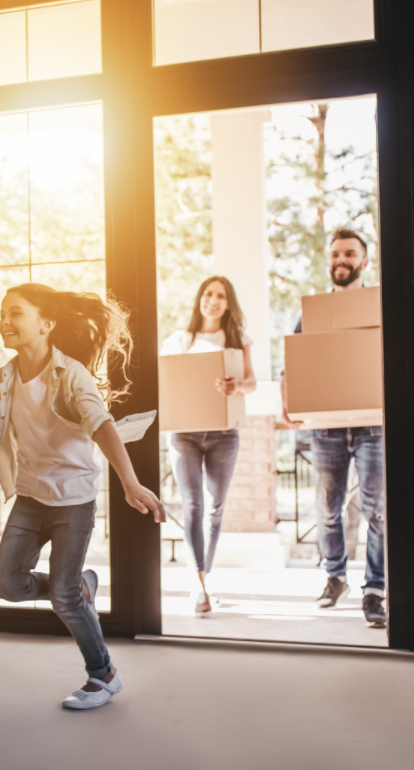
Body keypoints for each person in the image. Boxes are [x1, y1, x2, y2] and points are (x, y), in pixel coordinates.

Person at [0, 283, 165, 711]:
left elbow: (102, 425)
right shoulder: (4, 378)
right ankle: (76, 587)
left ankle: (103, 674)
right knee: (7, 584)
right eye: (2, 313)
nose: (5, 321)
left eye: (15, 313)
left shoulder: (71, 374)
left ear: (46, 324)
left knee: (64, 599)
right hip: (32, 497)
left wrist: (129, 482)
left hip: (74, 499)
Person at [281, 228, 386, 628]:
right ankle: (335, 577)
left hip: (372, 425)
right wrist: (289, 404)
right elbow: (292, 364)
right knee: (327, 509)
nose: (341, 260)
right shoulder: (311, 313)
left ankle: (375, 589)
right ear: (329, 261)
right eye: (336, 254)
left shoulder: (379, 307)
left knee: (377, 511)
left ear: (364, 260)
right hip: (325, 427)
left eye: (349, 254)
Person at [160, 277, 257, 616]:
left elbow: (252, 382)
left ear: (228, 304)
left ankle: (203, 578)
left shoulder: (237, 339)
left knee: (214, 509)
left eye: (220, 296)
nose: (213, 300)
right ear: (199, 299)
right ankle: (198, 584)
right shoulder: (179, 340)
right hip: (184, 434)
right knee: (193, 505)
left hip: (223, 434)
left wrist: (237, 385)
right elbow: (165, 381)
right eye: (208, 294)